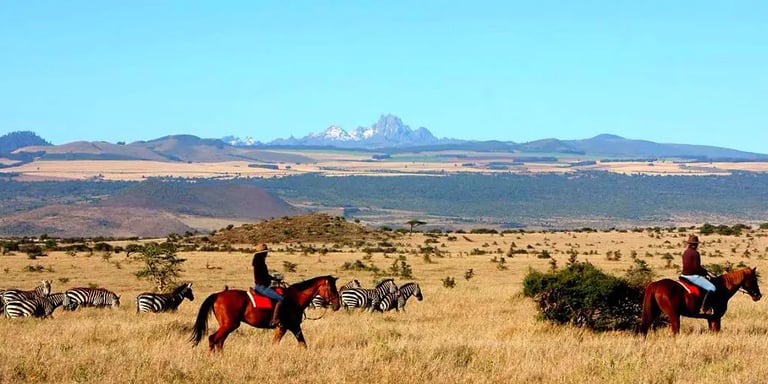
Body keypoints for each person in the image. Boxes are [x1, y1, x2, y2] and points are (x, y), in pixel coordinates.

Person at [680, 235, 715, 314]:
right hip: (692, 276)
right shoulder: (695, 253)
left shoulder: (685, 252)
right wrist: (706, 274)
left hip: (683, 275)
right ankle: (705, 307)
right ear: (696, 244)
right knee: (712, 288)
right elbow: (697, 268)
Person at [251, 243, 284, 326]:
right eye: (266, 252)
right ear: (262, 253)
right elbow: (263, 276)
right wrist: (272, 279)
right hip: (262, 287)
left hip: (262, 285)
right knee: (281, 299)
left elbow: (265, 275)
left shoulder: (258, 262)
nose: (267, 254)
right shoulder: (260, 263)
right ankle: (275, 319)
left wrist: (275, 279)